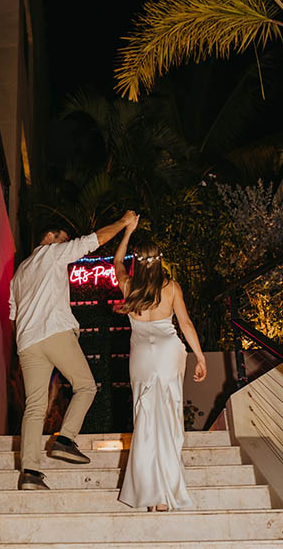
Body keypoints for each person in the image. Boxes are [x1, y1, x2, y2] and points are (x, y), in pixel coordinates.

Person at [9, 210, 138, 490]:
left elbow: (13, 313)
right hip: (53, 331)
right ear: (49, 236)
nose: (65, 243)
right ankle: (65, 440)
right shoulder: (52, 253)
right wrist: (124, 222)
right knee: (86, 386)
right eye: (63, 238)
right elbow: (96, 239)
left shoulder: (19, 273)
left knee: (34, 407)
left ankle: (29, 472)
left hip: (27, 342)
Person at [114, 217, 207, 511]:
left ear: (137, 263)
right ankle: (166, 494)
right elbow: (187, 324)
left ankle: (150, 493)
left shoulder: (128, 286)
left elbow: (116, 261)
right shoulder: (171, 288)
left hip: (141, 354)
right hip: (168, 352)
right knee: (167, 420)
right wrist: (200, 356)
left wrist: (127, 232)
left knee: (144, 419)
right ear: (160, 261)